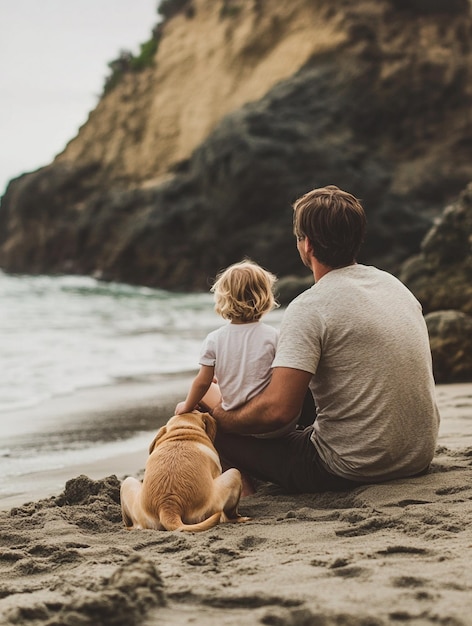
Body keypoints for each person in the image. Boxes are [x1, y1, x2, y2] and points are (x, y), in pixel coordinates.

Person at [210, 185, 440, 493]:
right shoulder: (394, 285)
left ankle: (244, 491)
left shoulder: (310, 307)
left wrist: (221, 416)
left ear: (307, 246)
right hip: (416, 455)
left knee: (208, 420)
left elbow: (278, 412)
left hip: (348, 467)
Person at [175, 260, 298, 438]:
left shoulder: (214, 339)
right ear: (265, 296)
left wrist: (186, 406)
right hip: (271, 426)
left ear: (223, 297)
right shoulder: (274, 337)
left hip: (234, 420)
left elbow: (202, 383)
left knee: (207, 386)